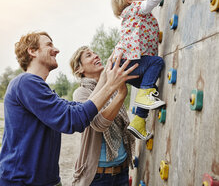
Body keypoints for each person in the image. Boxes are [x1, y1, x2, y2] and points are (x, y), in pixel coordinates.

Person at [0, 31, 138, 186]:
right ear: (32, 51)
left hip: (48, 181)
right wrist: (111, 86)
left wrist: (106, 77)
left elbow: (80, 109)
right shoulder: (25, 82)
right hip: (22, 182)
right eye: (49, 44)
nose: (57, 50)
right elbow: (72, 119)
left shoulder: (43, 90)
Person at [111, 0, 180, 141]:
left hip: (123, 66)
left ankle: (138, 122)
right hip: (127, 62)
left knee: (149, 89)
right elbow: (153, 0)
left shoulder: (134, 11)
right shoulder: (135, 8)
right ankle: (144, 98)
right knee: (156, 63)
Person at [70, 46, 136, 186]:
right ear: (79, 69)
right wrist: (121, 94)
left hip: (122, 170)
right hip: (98, 176)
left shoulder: (111, 86)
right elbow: (98, 124)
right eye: (88, 55)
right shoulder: (80, 93)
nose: (96, 55)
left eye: (95, 52)